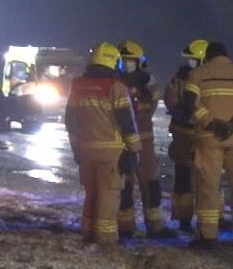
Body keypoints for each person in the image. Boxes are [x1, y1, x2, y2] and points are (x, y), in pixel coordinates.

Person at [184, 41, 233, 247]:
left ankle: (208, 236)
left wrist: (210, 122)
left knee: (208, 186)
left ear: (208, 56)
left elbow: (189, 102)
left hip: (209, 137)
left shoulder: (198, 74)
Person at [65, 42, 141, 246]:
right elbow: (127, 122)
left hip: (85, 150)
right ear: (113, 62)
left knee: (91, 194)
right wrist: (134, 150)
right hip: (111, 152)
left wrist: (76, 149)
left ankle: (88, 234)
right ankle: (105, 239)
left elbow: (70, 121)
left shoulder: (77, 85)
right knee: (108, 196)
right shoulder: (117, 87)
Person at [115, 39, 171, 239]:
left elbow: (153, 100)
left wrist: (141, 88)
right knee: (124, 184)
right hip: (121, 141)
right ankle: (125, 226)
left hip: (144, 139)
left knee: (151, 182)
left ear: (139, 62)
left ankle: (155, 224)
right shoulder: (115, 82)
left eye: (130, 60)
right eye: (123, 60)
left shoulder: (149, 81)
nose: (127, 63)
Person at [162, 41, 204, 232]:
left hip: (204, 132)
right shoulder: (179, 77)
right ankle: (184, 217)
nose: (190, 63)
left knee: (208, 178)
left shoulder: (208, 78)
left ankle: (213, 217)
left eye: (193, 60)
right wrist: (178, 109)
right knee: (183, 177)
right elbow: (169, 96)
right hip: (183, 132)